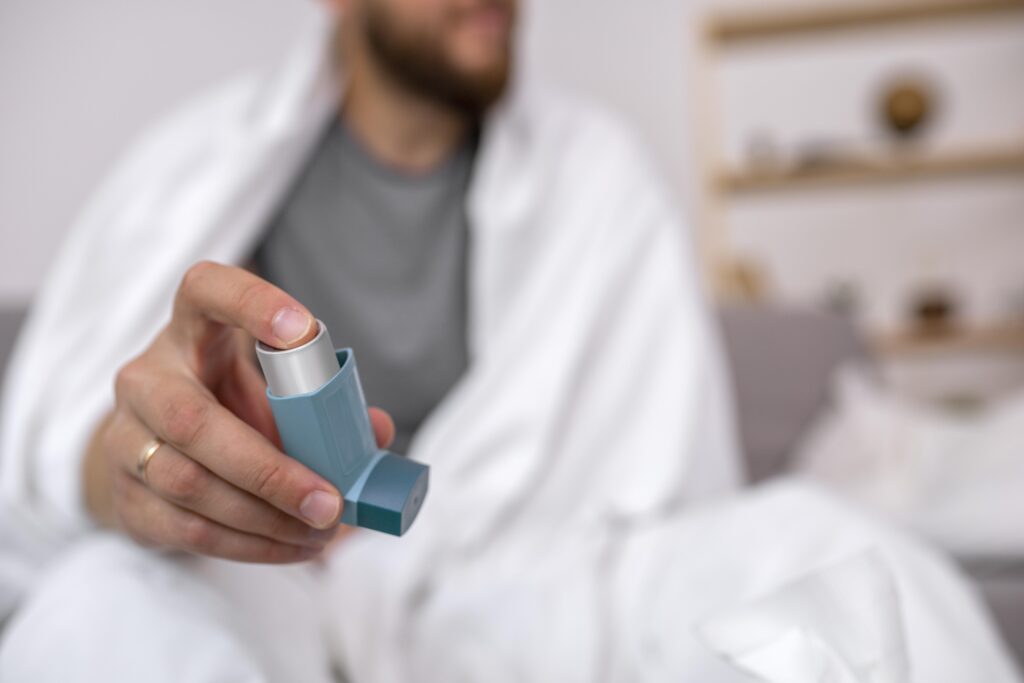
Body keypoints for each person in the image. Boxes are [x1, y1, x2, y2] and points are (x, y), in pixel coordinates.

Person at [0, 1, 1018, 681]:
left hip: (515, 599)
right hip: (246, 595)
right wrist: (136, 470)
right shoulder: (187, 166)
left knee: (829, 544)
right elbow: (47, 476)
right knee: (100, 607)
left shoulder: (600, 178)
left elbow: (666, 500)